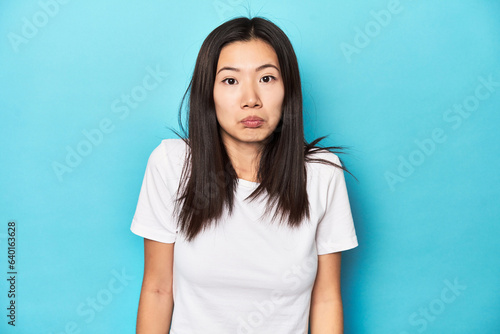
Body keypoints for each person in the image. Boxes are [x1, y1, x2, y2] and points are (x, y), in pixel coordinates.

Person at [130, 16, 358, 334]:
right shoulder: (171, 163)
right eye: (230, 81)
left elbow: (326, 299)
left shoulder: (321, 174)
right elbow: (157, 290)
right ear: (208, 92)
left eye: (266, 78)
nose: (251, 99)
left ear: (287, 90)